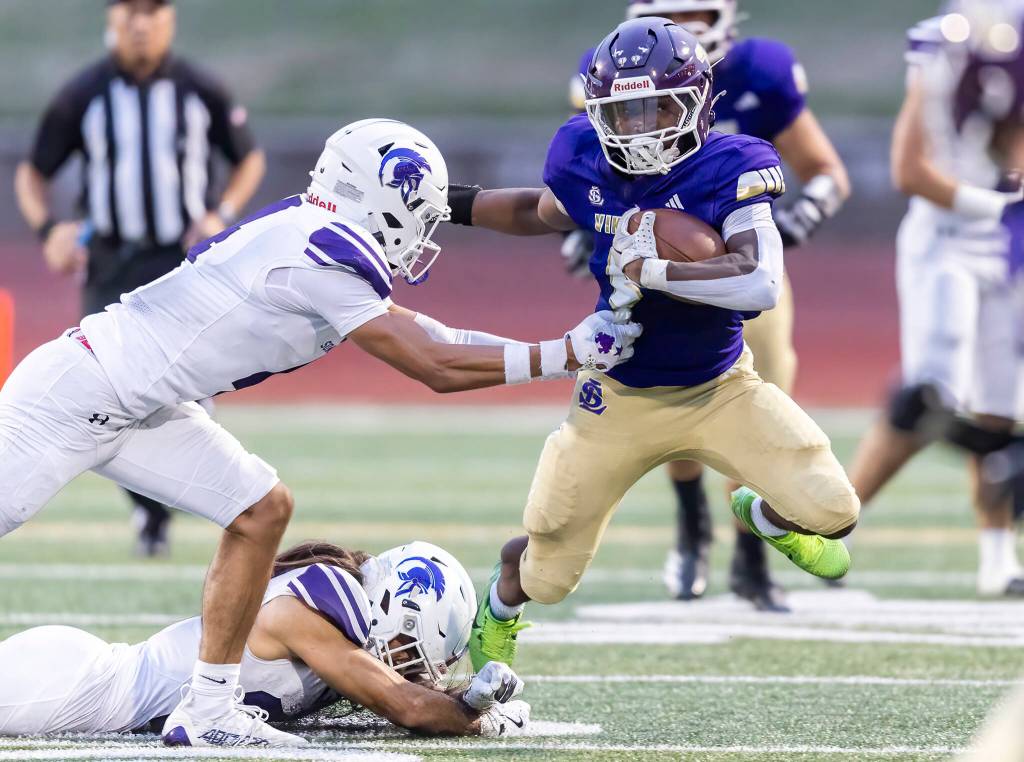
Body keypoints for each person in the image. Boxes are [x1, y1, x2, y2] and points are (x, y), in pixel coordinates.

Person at [0, 117, 640, 748]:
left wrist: (562, 350)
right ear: (380, 199)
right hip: (78, 393)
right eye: (415, 214)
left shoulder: (313, 228)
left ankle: (209, 706)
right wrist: (562, 354)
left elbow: (438, 336)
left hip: (141, 405)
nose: (420, 234)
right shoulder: (324, 250)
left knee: (260, 508)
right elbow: (432, 363)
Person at [446, 18, 860, 671]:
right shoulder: (582, 157)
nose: (640, 127)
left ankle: (765, 517)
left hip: (722, 389)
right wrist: (451, 203)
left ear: (697, 102)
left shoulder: (735, 164)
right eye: (624, 111)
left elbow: (759, 283)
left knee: (835, 511)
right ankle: (501, 603)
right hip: (617, 398)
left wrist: (656, 269)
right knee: (548, 574)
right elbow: (539, 211)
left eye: (657, 107)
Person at [562, 0, 850, 610]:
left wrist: (800, 215)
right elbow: (591, 169)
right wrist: (580, 224)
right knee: (672, 390)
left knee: (764, 399)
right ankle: (692, 521)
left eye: (696, 12)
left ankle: (752, 554)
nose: (686, 26)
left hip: (736, 267)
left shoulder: (758, 72)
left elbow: (826, 171)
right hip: (649, 264)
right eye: (672, 13)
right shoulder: (614, 69)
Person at [13, 0, 266, 557]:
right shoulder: (84, 94)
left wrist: (220, 214)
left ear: (169, 18)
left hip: (182, 265)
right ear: (112, 19)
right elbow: (33, 173)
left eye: (152, 10)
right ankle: (149, 515)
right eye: (130, 10)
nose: (141, 23)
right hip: (112, 264)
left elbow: (248, 158)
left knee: (188, 393)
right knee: (110, 393)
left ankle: (199, 498)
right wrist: (49, 228)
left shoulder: (200, 89)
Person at [0, 540, 531, 740]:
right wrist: (471, 713)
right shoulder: (318, 607)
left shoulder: (341, 624)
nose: (412, 667)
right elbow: (409, 706)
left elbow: (417, 696)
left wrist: (472, 698)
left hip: (86, 687)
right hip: (73, 687)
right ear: (400, 610)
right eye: (411, 651)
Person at [846, 2, 1024, 597]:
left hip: (1005, 237)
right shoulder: (944, 49)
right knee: (930, 397)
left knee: (1001, 398)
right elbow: (910, 171)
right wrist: (999, 206)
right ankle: (827, 527)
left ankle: (998, 561)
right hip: (948, 233)